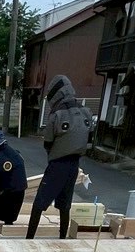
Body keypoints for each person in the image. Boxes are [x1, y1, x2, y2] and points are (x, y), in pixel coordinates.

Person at [27, 75, 93, 240]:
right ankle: (63, 238)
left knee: (39, 203)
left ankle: (29, 239)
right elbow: (89, 138)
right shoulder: (85, 112)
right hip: (74, 164)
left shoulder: (58, 114)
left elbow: (48, 142)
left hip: (58, 164)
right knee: (65, 204)